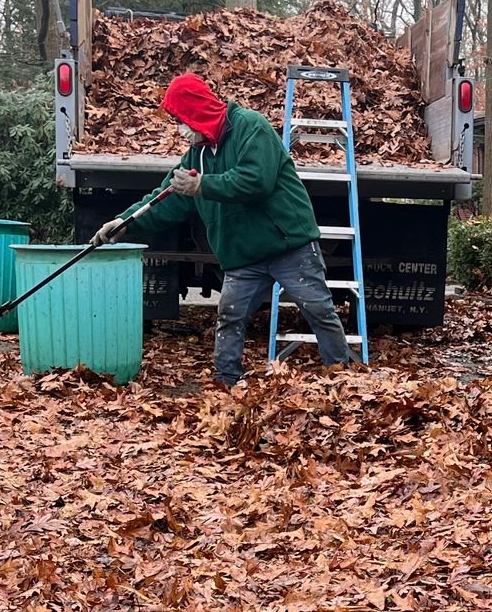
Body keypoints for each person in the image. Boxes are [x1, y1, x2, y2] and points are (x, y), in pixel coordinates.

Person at [92, 73, 354, 386]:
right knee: (229, 316)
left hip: (288, 245)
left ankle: (341, 378)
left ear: (196, 112)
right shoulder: (197, 155)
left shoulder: (251, 127)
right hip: (244, 256)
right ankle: (226, 382)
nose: (180, 129)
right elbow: (167, 198)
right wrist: (124, 222)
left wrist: (203, 185)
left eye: (181, 120)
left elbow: (256, 180)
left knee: (319, 310)